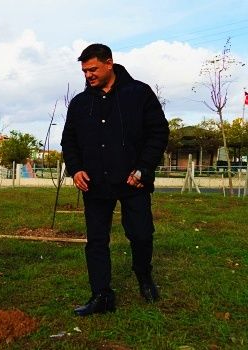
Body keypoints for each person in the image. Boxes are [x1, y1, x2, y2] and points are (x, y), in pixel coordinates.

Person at [60, 43, 169, 316]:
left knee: (141, 234)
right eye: (85, 71)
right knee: (96, 241)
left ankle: (144, 277)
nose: (88, 75)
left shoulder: (139, 93)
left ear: (109, 63)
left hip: (134, 182)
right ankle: (101, 295)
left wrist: (143, 168)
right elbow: (69, 140)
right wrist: (76, 169)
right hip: (95, 183)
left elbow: (158, 132)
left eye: (93, 69)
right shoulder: (80, 103)